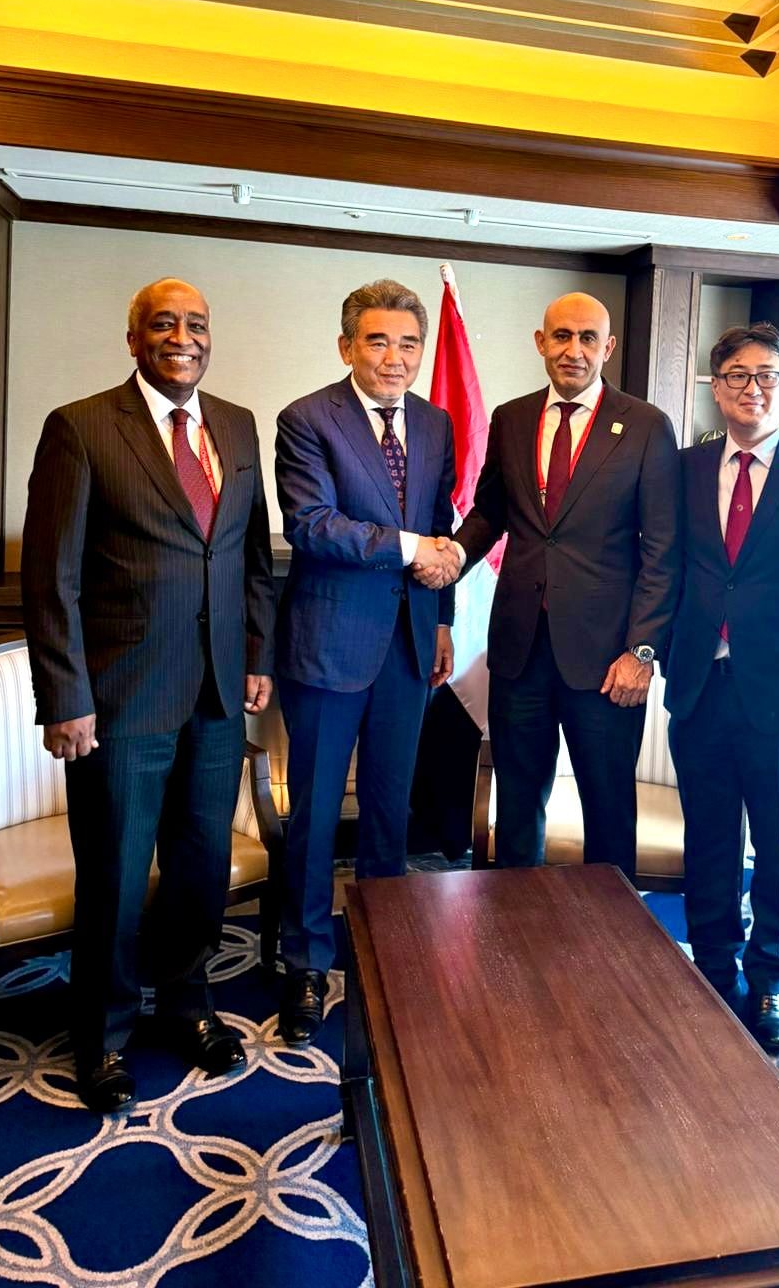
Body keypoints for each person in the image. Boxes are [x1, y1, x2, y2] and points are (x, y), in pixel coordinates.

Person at [21, 278, 275, 1114]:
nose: (183, 336)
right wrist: (65, 696)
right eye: (163, 323)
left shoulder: (236, 425)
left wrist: (256, 654)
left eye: (196, 324)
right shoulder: (83, 427)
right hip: (120, 700)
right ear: (133, 339)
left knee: (201, 866)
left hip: (216, 693)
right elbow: (50, 577)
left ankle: (187, 1004)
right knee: (117, 876)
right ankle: (102, 1034)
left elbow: (248, 558)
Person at [273, 279, 457, 1044]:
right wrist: (413, 549)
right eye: (378, 341)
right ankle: (305, 963)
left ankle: (386, 949)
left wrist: (443, 621)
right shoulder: (308, 419)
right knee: (317, 813)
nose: (395, 357)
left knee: (389, 809)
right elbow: (312, 525)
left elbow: (442, 527)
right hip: (328, 645)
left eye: (409, 343)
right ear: (346, 345)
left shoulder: (436, 423)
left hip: (410, 644)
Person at [453, 292, 680, 878]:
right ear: (541, 342)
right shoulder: (511, 419)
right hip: (519, 651)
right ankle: (517, 921)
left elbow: (662, 550)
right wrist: (453, 554)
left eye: (587, 338)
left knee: (608, 810)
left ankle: (611, 930)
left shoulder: (646, 426)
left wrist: (641, 651)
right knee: (518, 807)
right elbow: (491, 512)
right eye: (561, 336)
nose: (573, 350)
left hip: (607, 661)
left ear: (608, 348)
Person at [664, 324, 779, 1050]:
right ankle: (712, 966)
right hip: (700, 681)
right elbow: (666, 567)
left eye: (767, 374)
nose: (753, 388)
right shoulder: (684, 467)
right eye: (737, 375)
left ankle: (772, 980)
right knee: (706, 840)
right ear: (717, 388)